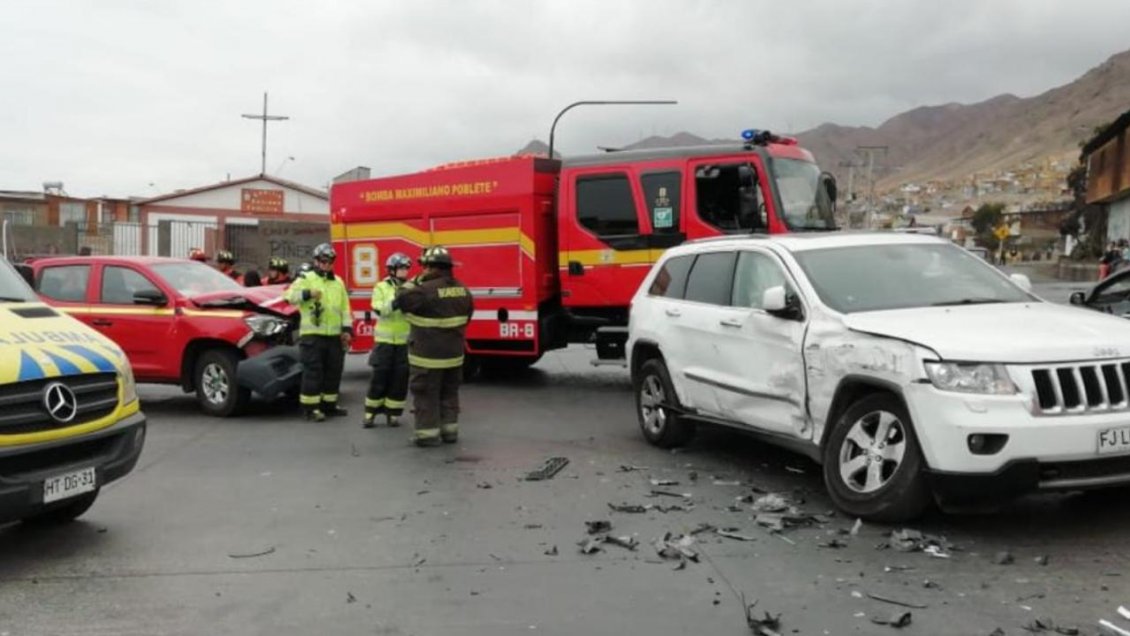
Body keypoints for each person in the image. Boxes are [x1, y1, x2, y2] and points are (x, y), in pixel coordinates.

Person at [397, 245, 473, 446]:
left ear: (430, 268)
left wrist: (413, 281)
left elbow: (401, 299)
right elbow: (467, 318)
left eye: (424, 267)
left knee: (426, 394)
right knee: (449, 393)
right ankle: (450, 432)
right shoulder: (463, 290)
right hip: (454, 355)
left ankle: (427, 435)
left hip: (427, 357)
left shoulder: (423, 291)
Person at [285, 243, 352, 422]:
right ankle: (311, 408)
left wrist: (346, 329)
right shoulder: (306, 277)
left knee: (334, 371)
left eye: (330, 261)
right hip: (313, 335)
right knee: (313, 371)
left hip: (334, 335)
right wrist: (307, 293)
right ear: (316, 261)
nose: (326, 264)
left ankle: (329, 405)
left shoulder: (338, 282)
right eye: (323, 261)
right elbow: (289, 296)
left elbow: (345, 308)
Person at [362, 253, 413, 429]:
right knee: (379, 377)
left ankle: (393, 414)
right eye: (402, 268)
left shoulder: (411, 287)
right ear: (391, 270)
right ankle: (370, 413)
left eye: (407, 268)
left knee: (400, 380)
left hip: (403, 342)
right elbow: (379, 309)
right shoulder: (381, 287)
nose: (405, 271)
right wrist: (397, 301)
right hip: (384, 343)